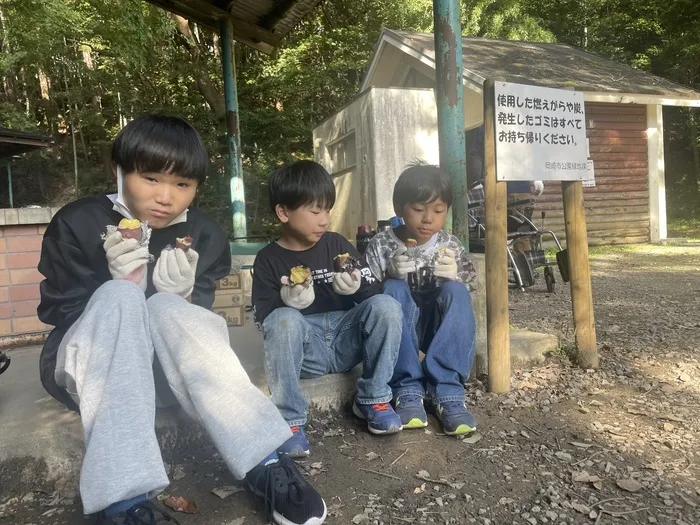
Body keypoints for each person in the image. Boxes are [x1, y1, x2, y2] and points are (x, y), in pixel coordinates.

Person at [37, 116, 327, 525]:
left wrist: (183, 297)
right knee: (120, 295)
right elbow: (63, 315)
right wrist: (119, 286)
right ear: (120, 170)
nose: (166, 197)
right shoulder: (78, 222)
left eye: (183, 185)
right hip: (92, 373)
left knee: (170, 308)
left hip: (169, 380)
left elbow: (196, 328)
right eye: (151, 178)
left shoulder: (204, 234)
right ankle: (121, 502)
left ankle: (265, 459)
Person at [252, 160, 404, 457]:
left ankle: (373, 399)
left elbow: (374, 292)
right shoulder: (268, 259)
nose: (324, 220)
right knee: (283, 320)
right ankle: (289, 420)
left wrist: (358, 285)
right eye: (314, 210)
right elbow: (264, 321)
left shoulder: (336, 244)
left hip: (347, 339)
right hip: (307, 350)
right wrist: (286, 300)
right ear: (283, 212)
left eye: (327, 210)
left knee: (386, 306)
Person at [364, 164, 478, 436]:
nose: (428, 219)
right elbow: (366, 300)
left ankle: (448, 392)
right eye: (418, 209)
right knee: (393, 288)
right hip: (401, 334)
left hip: (436, 331)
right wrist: (387, 276)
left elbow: (472, 286)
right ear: (399, 207)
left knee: (457, 291)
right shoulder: (381, 244)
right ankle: (407, 388)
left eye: (438, 211)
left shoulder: (449, 244)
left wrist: (457, 276)